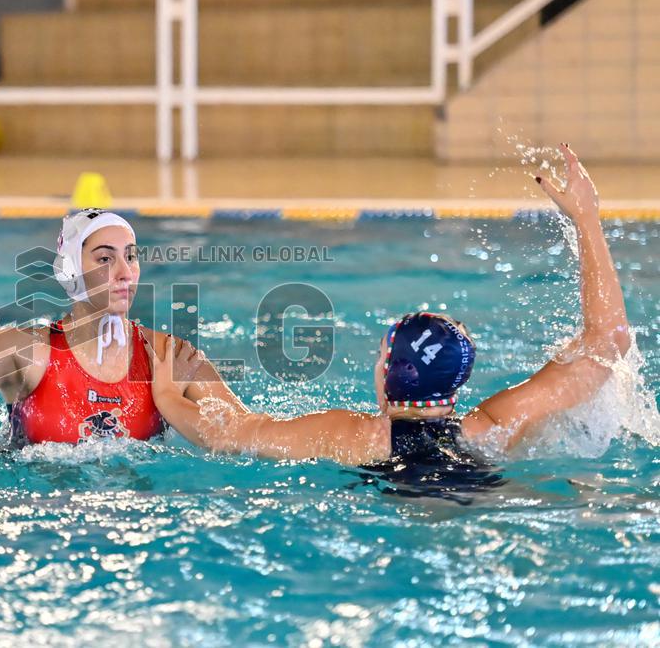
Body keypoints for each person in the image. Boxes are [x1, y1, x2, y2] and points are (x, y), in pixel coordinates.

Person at [148, 145, 632, 467]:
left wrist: (170, 395)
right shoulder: (493, 429)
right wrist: (587, 219)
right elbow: (609, 343)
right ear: (460, 377)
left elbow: (231, 436)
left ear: (386, 370)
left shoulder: (352, 437)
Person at [0, 208, 240, 446]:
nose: (124, 273)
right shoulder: (26, 353)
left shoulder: (170, 360)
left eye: (131, 257)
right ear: (70, 271)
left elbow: (246, 435)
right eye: (105, 259)